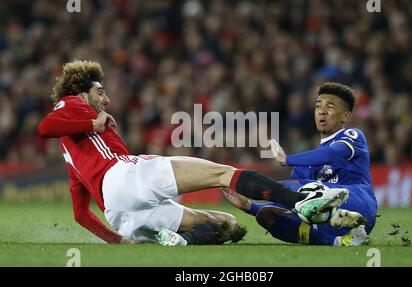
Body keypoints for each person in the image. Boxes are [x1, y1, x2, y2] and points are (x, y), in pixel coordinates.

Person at [38, 60, 346, 246]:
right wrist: (94, 119)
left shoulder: (71, 155)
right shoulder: (73, 104)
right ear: (81, 93)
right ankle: (302, 202)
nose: (106, 99)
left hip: (120, 215)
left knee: (228, 226)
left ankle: (173, 241)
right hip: (124, 177)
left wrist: (118, 240)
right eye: (100, 92)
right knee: (223, 173)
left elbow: (80, 214)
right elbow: (46, 126)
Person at [224, 82, 378, 246]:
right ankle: (340, 241)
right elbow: (285, 199)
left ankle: (333, 213)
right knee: (267, 215)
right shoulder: (307, 163)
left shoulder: (352, 135)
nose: (322, 111)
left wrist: (287, 159)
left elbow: (330, 154)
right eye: (318, 106)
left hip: (359, 204)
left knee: (295, 187)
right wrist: (250, 206)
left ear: (346, 116)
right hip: (336, 226)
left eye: (330, 107)